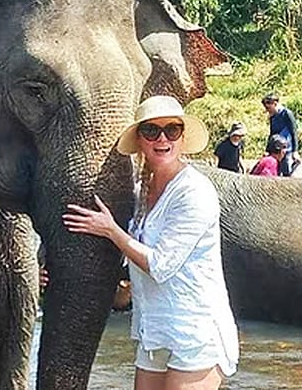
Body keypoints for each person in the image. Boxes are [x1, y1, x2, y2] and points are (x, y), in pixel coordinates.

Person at [62, 95, 239, 390]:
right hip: (153, 330)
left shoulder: (194, 192)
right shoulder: (140, 190)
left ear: (182, 138)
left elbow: (160, 265)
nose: (162, 139)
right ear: (140, 141)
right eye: (151, 131)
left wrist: (111, 230)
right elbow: (128, 254)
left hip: (195, 334)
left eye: (172, 130)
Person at [261, 93, 300, 176]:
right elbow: (272, 134)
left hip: (287, 149)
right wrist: (267, 150)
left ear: (275, 104)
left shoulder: (287, 114)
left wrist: (295, 151)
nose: (267, 110)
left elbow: (294, 132)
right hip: (276, 150)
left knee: (286, 173)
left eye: (268, 107)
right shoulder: (272, 117)